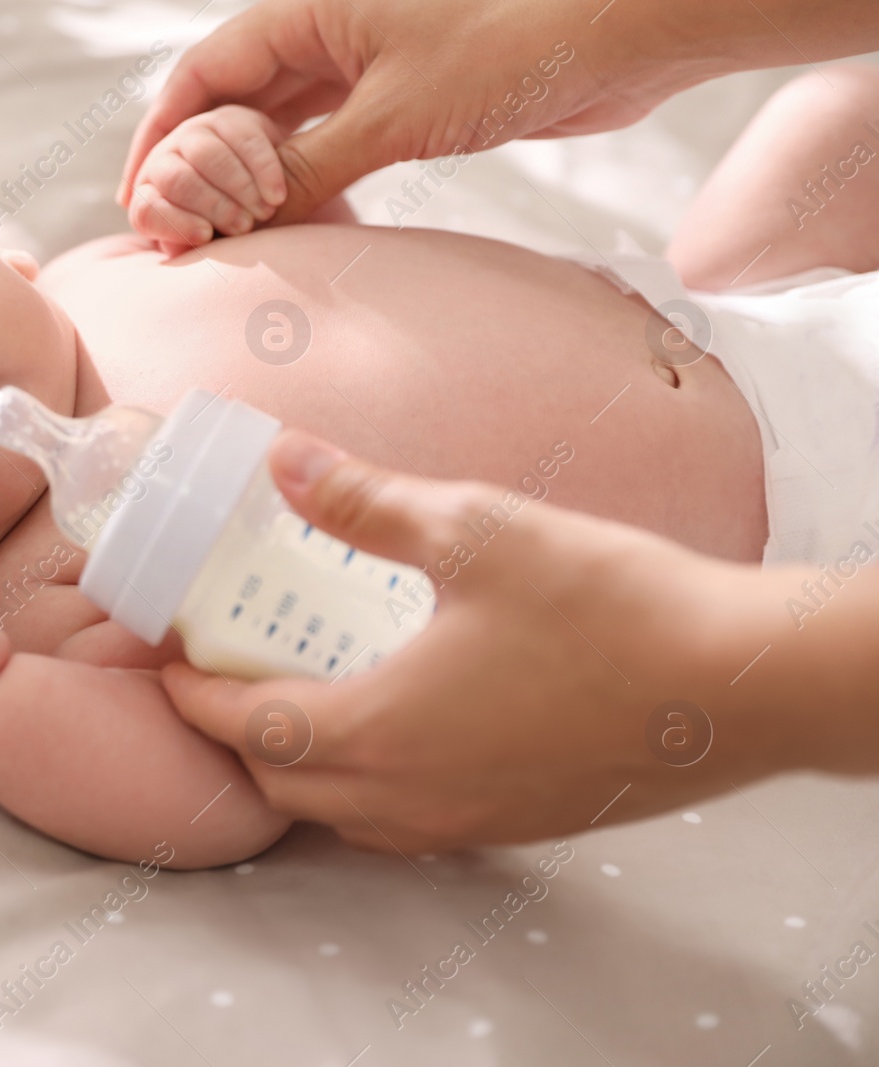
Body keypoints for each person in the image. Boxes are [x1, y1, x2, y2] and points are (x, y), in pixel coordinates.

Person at [130, 0, 879, 850]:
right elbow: (185, 798)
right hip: (810, 518)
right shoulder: (36, 559)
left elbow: (329, 276)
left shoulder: (118, 261)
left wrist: (235, 165)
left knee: (838, 113)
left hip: (719, 319)